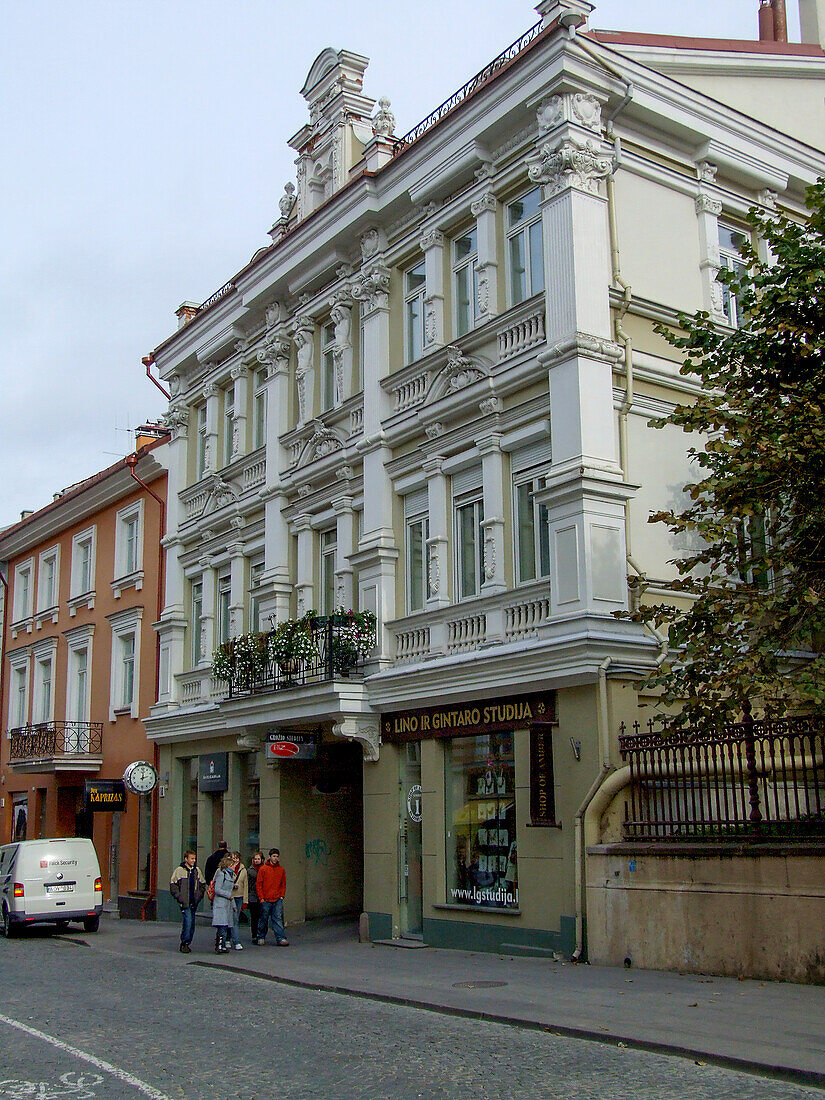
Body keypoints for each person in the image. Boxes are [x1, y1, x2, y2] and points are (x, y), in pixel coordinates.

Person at [170, 850, 205, 954]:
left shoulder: (197, 871)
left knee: (192, 924)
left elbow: (202, 884)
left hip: (194, 901)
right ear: (186, 859)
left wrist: (199, 896)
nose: (193, 860)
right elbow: (173, 885)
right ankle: (184, 943)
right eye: (191, 858)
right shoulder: (179, 871)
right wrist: (179, 897)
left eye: (194, 858)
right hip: (185, 902)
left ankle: (188, 942)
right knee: (188, 922)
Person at [255, 847, 288, 946]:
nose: (275, 858)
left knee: (277, 918)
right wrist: (261, 898)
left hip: (277, 898)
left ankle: (280, 937)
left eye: (277, 856)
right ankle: (260, 936)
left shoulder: (281, 870)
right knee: (263, 919)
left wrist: (282, 896)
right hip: (266, 899)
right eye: (274, 856)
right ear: (270, 857)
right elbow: (259, 884)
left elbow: (283, 884)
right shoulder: (263, 869)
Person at [210, 853, 235, 953]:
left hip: (227, 904)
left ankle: (223, 945)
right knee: (222, 925)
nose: (234, 867)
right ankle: (219, 945)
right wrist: (228, 895)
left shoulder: (230, 875)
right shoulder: (222, 874)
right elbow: (217, 889)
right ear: (229, 866)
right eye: (233, 865)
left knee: (226, 925)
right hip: (220, 904)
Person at [228, 850, 248, 951]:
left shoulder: (243, 870)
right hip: (229, 896)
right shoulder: (226, 869)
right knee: (230, 918)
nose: (234, 860)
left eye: (236, 858)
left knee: (235, 918)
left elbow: (245, 885)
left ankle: (233, 940)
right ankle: (231, 940)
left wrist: (245, 900)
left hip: (239, 896)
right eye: (233, 858)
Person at [247, 851, 264, 945]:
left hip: (262, 896)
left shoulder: (264, 869)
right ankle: (254, 935)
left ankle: (260, 934)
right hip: (253, 895)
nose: (257, 861)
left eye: (258, 859)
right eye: (255, 859)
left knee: (262, 916)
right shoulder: (250, 871)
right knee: (254, 917)